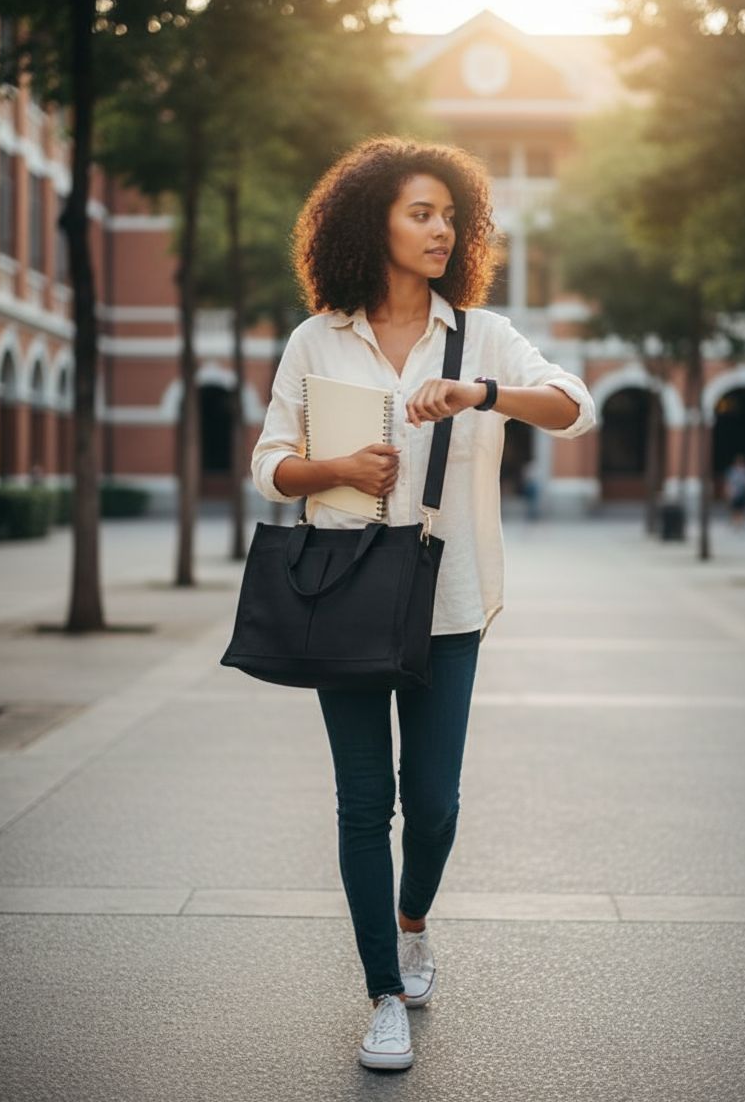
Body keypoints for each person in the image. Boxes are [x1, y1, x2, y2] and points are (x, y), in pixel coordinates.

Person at [250, 137, 596, 1072]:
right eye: (420, 212)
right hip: (344, 597)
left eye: (451, 214)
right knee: (364, 805)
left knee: (432, 805)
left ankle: (412, 923)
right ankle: (382, 994)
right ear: (373, 224)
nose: (442, 229)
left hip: (448, 605)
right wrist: (337, 467)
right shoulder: (315, 337)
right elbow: (269, 465)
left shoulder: (478, 333)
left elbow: (575, 405)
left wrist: (483, 393)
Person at [724, 453, 745, 529]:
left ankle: (740, 523)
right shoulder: (732, 471)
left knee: (742, 509)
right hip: (735, 493)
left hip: (743, 493)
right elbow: (728, 483)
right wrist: (728, 492)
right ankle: (736, 523)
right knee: (735, 509)